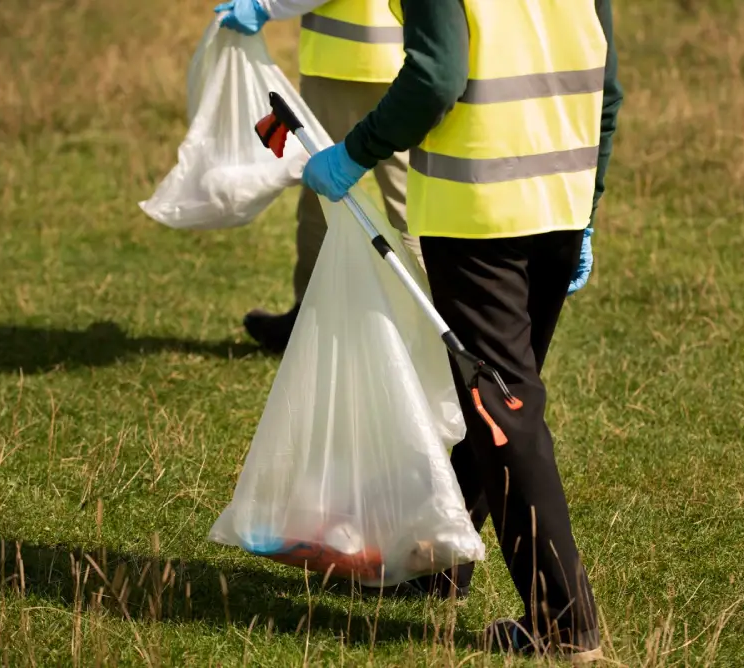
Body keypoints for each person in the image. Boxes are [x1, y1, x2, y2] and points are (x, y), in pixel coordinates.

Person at [300, 0, 623, 660]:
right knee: (502, 402)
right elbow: (608, 84)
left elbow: (436, 76)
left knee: (504, 409)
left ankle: (565, 623)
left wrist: (355, 152)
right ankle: (440, 560)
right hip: (559, 196)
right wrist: (587, 207)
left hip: (478, 210)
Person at [213, 0, 423, 353]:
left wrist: (265, 5)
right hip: (407, 64)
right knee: (413, 204)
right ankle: (444, 324)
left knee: (321, 197)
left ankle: (308, 320)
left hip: (344, 64)